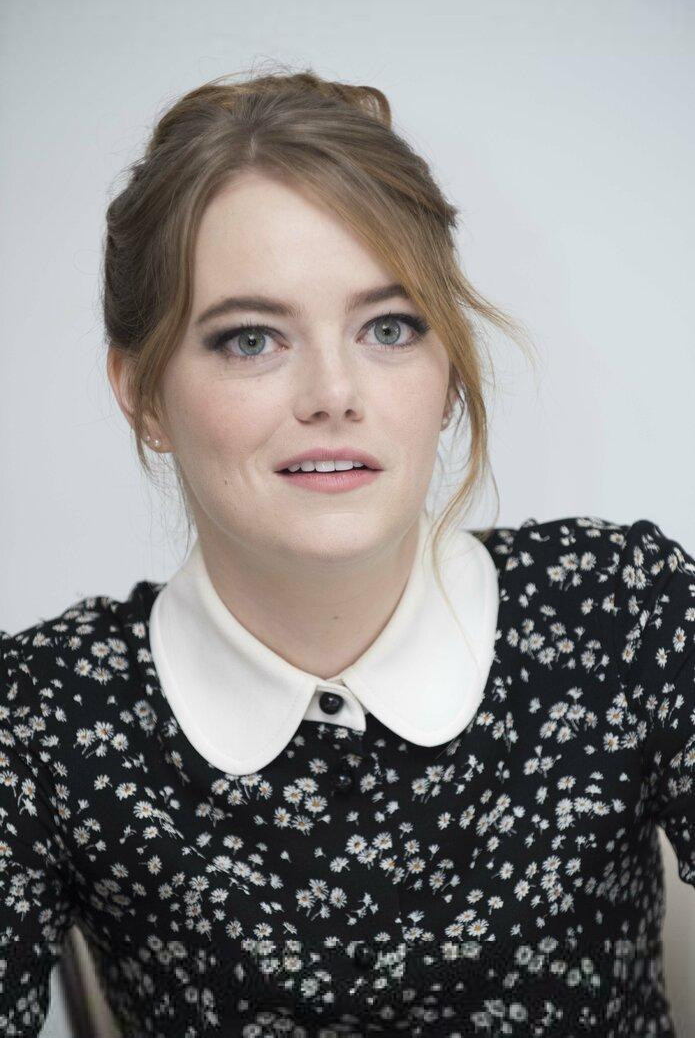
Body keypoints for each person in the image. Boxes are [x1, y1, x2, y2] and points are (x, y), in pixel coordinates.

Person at [1, 67, 693, 1038]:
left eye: (388, 328)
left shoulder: (618, 613)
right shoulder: (43, 717)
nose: (333, 393)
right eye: (250, 340)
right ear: (143, 392)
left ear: (446, 369)